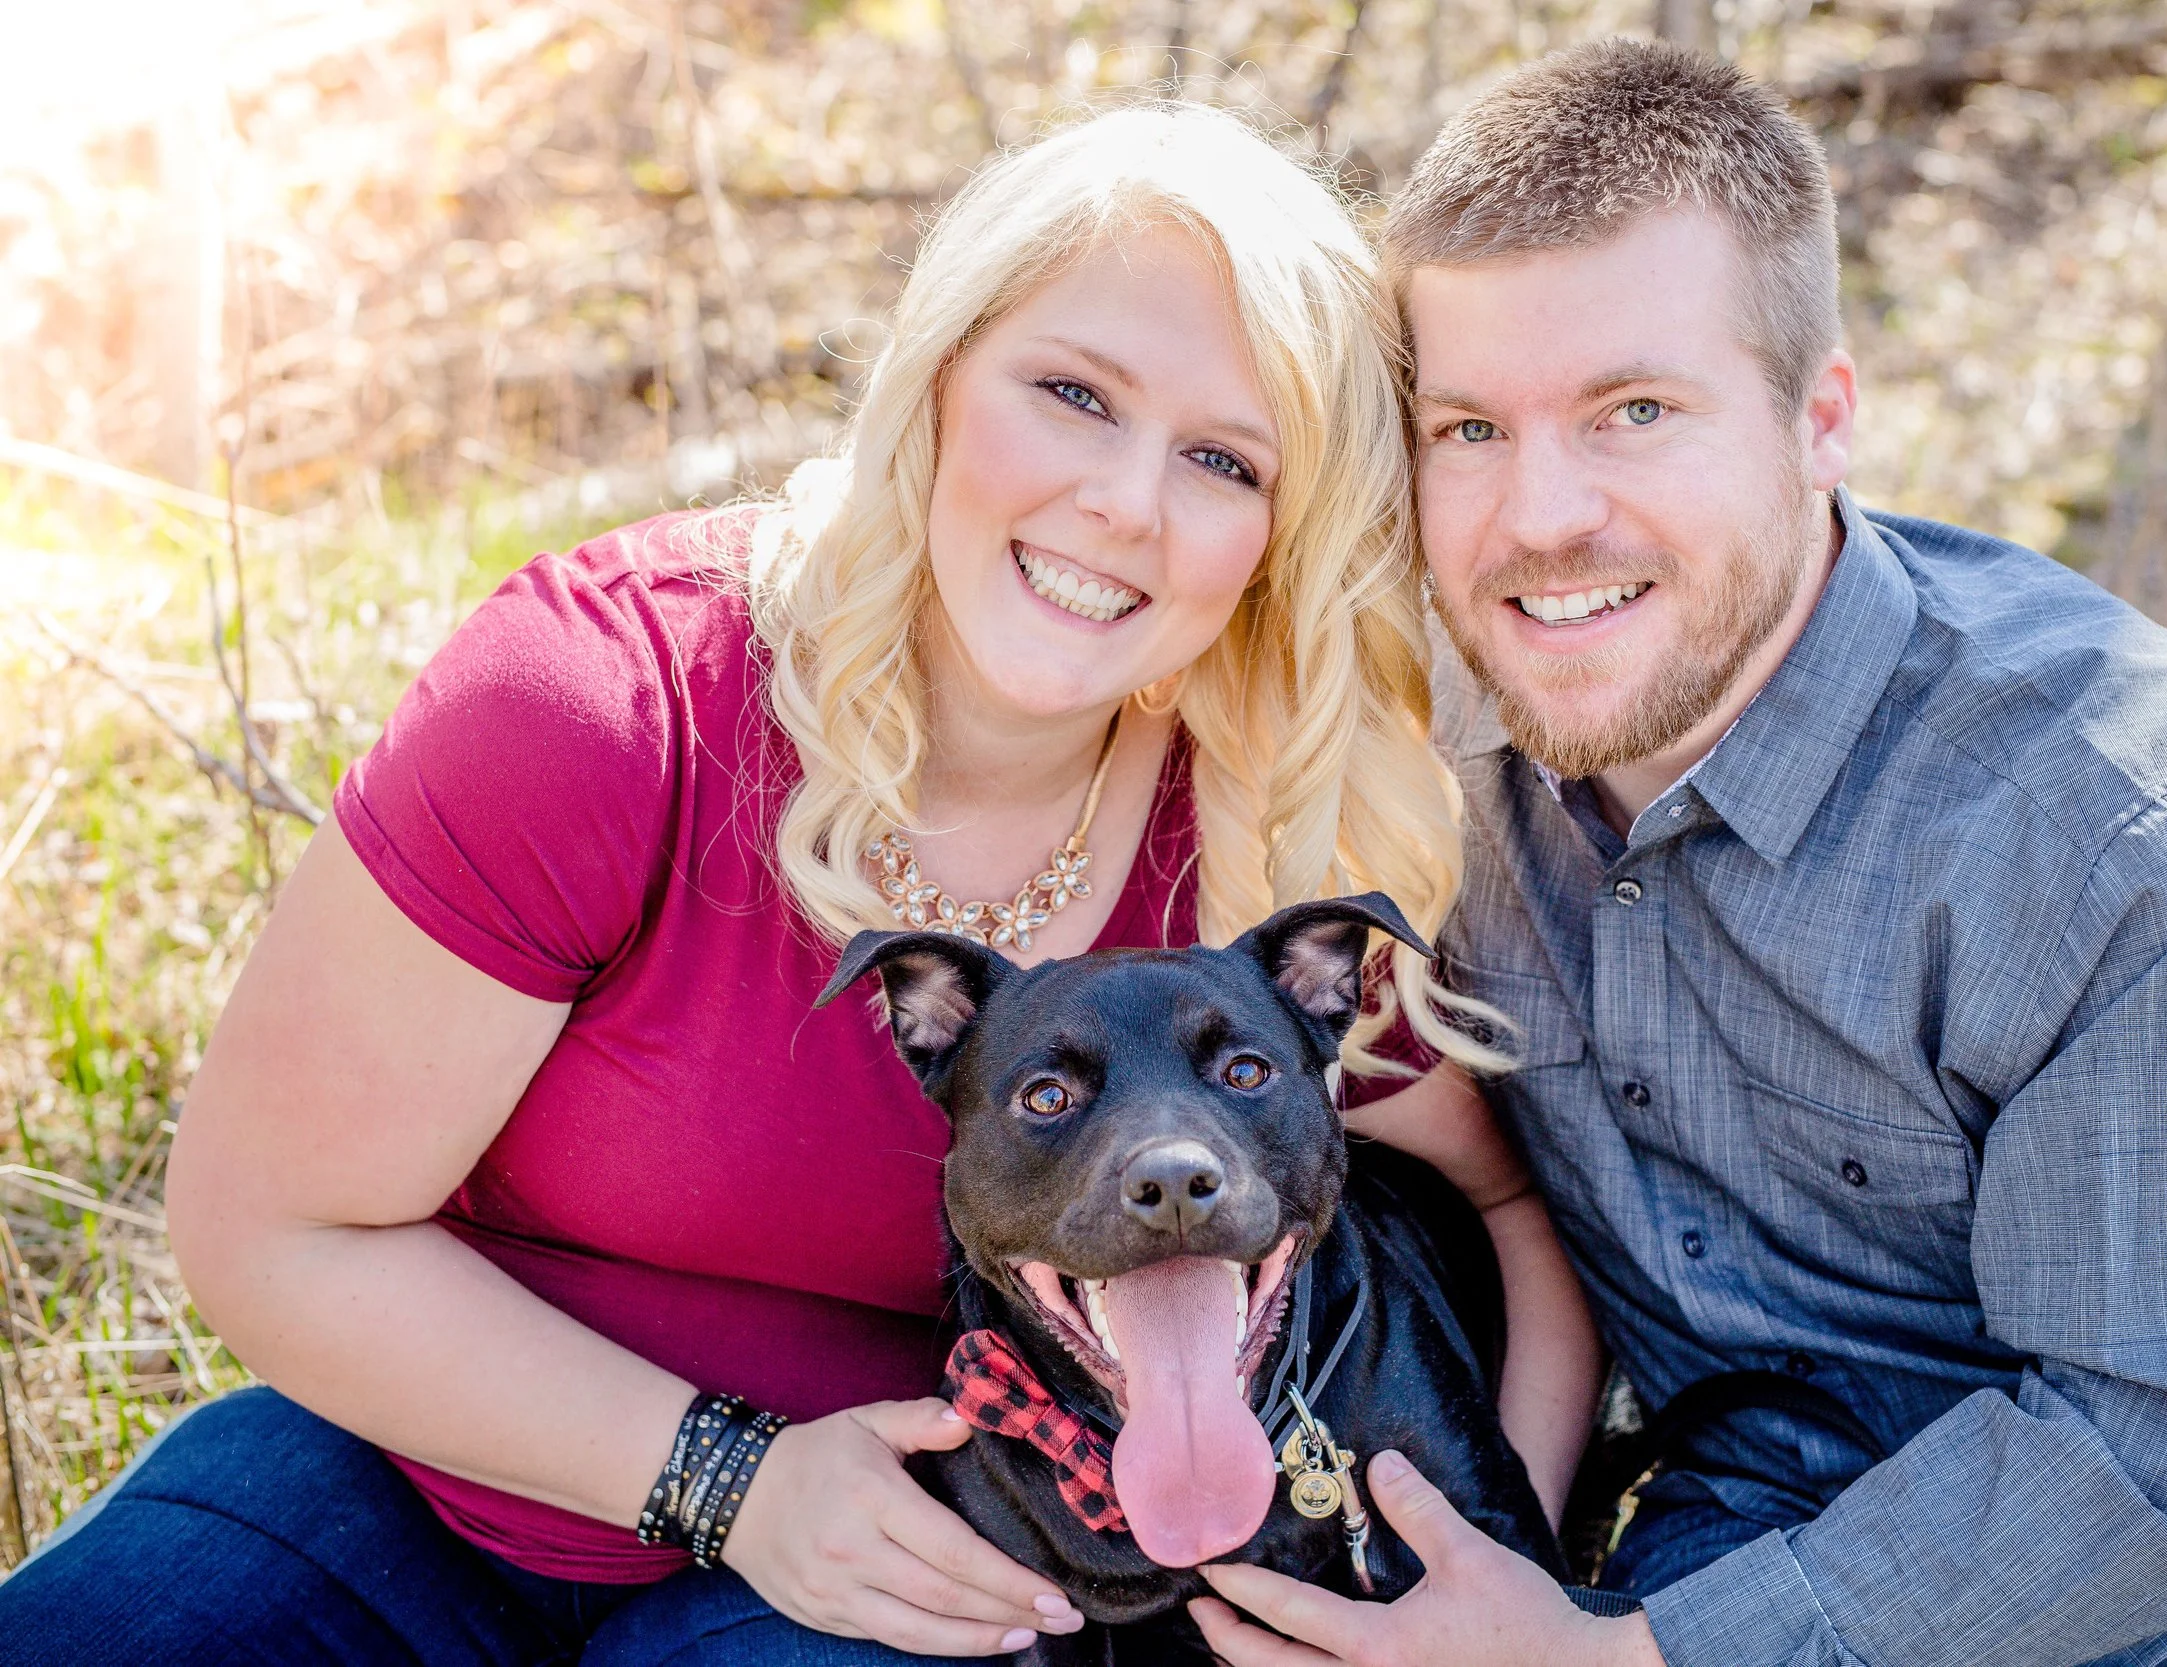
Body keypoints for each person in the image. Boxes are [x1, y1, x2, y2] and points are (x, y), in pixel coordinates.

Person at [0, 105, 1598, 1665]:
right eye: (1070, 391)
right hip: (403, 1494)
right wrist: (726, 1477)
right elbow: (264, 1228)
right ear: (938, 375)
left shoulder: (1259, 830)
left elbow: (1506, 1206)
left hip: (893, 1580)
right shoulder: (608, 704)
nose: (1126, 500)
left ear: (1284, 530)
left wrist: (1483, 1579)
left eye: (1224, 459)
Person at [1191, 40, 2167, 1667]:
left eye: (1636, 411)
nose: (1537, 517)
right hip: (1763, 1513)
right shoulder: (1415, 766)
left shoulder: (2127, 804)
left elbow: (2165, 1455)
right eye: (1469, 428)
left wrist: (1625, 1662)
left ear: (1823, 419)